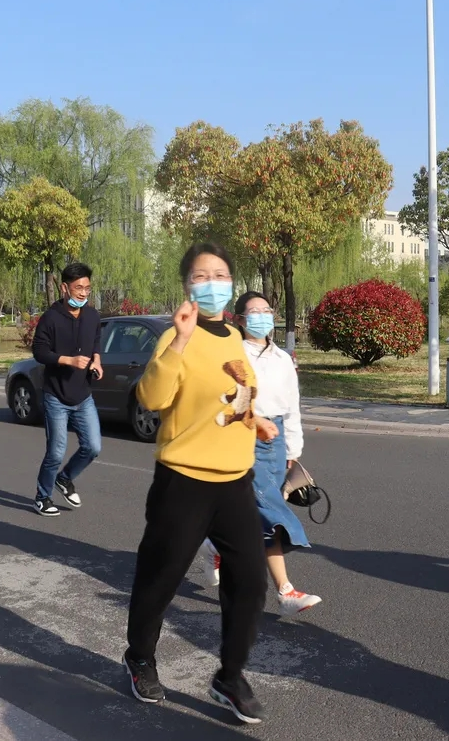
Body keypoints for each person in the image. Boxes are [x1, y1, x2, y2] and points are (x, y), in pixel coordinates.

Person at [124, 243, 275, 725]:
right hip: (183, 480)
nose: (213, 283)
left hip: (235, 481)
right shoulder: (175, 336)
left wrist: (255, 419)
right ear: (187, 285)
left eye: (221, 274)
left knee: (249, 583)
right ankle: (139, 657)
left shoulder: (234, 336)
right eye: (202, 275)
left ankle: (230, 676)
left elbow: (235, 395)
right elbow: (151, 398)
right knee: (160, 578)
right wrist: (181, 341)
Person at [199, 291, 322, 616]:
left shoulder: (282, 359)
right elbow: (226, 402)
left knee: (256, 515)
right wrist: (254, 422)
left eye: (266, 310)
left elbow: (292, 407)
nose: (262, 316)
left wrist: (292, 449)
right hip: (242, 437)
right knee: (270, 514)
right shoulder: (233, 355)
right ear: (239, 319)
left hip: (276, 440)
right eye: (254, 312)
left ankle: (215, 545)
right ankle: (285, 591)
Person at [30, 262, 104, 516]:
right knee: (56, 452)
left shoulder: (92, 316)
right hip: (56, 397)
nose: (83, 293)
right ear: (64, 288)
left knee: (93, 447)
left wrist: (96, 360)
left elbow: (96, 341)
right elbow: (39, 352)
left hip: (83, 396)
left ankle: (65, 478)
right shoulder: (50, 318)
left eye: (87, 288)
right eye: (78, 288)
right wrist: (68, 360)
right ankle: (42, 497)